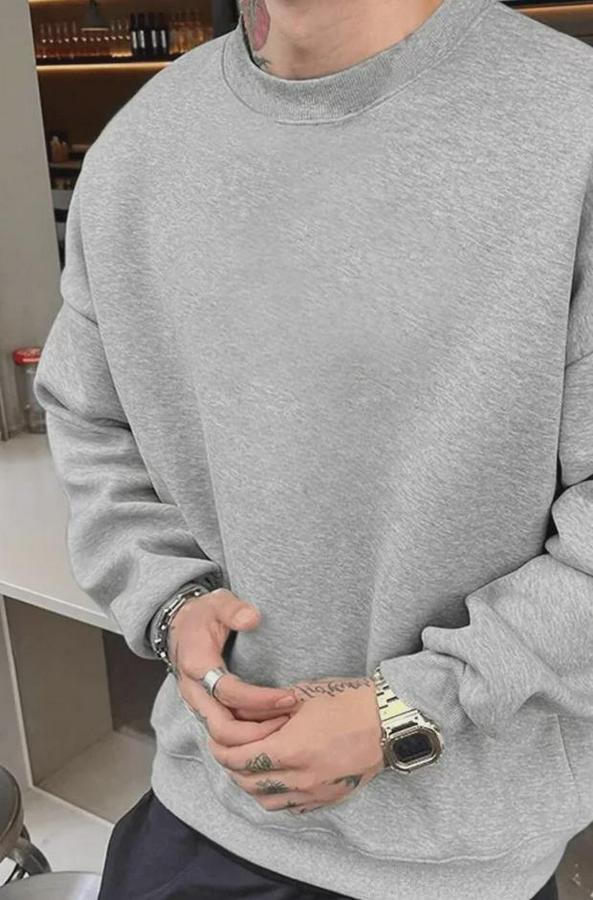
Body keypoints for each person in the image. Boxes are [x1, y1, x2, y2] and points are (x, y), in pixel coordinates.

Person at [32, 0, 593, 898]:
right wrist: (171, 604)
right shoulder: (143, 144)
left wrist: (409, 707)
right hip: (200, 808)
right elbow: (91, 420)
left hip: (457, 860)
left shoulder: (569, 122)